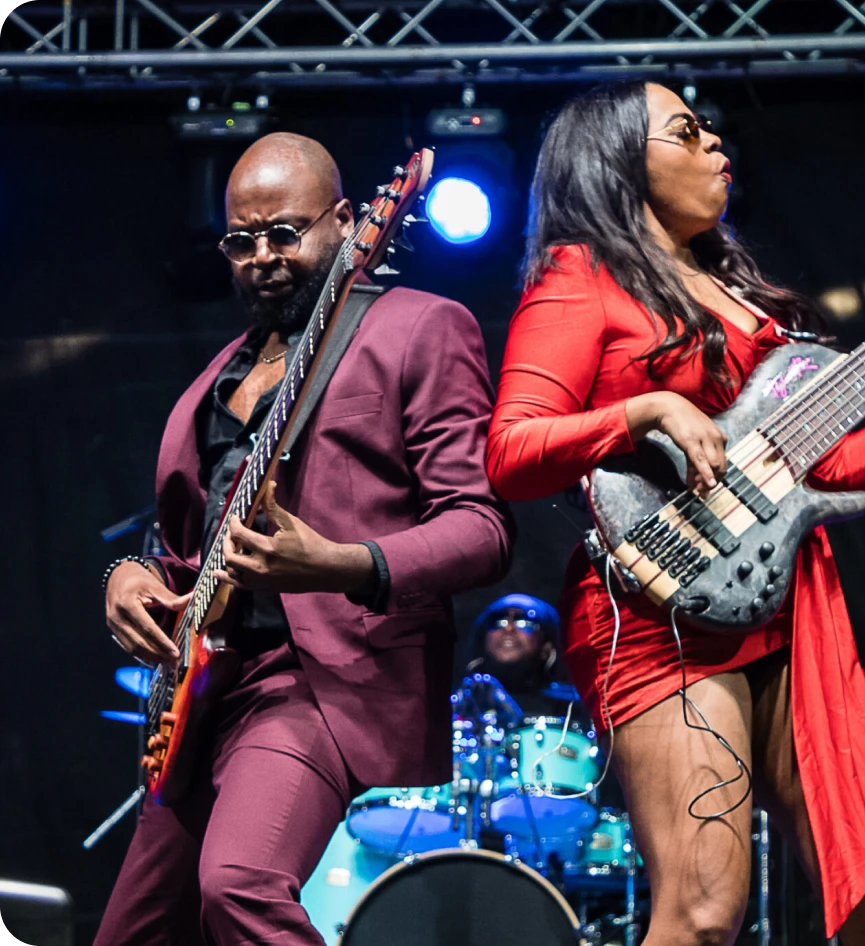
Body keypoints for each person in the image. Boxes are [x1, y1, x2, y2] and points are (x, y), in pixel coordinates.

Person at [485, 82, 865, 946]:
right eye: (685, 133)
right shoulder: (580, 282)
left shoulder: (738, 295)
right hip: (656, 616)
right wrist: (645, 412)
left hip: (786, 607)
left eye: (710, 128)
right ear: (618, 165)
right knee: (699, 915)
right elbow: (510, 450)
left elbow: (831, 469)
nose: (716, 143)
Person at [98, 132, 513, 945]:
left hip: (322, 678)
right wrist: (127, 575)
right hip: (207, 692)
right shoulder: (211, 383)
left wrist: (338, 564)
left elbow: (484, 527)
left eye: (285, 232)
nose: (262, 256)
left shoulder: (418, 328)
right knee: (132, 935)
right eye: (241, 240)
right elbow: (180, 549)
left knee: (241, 886)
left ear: (347, 222)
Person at [465, 593, 571, 719]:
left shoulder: (572, 708)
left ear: (547, 647)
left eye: (524, 622)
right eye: (498, 621)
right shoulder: (460, 705)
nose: (509, 628)